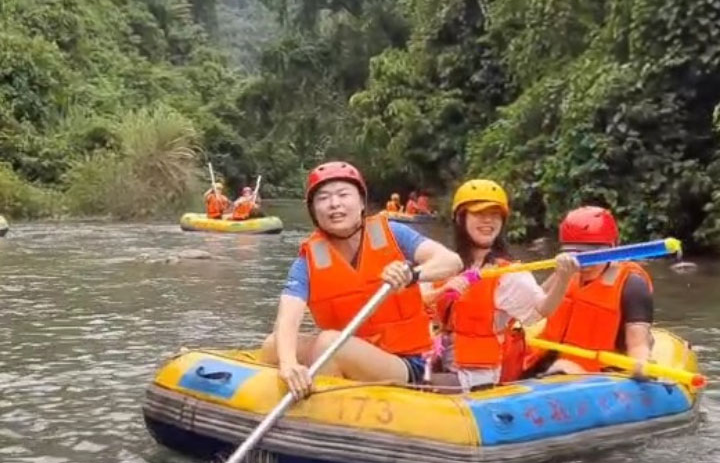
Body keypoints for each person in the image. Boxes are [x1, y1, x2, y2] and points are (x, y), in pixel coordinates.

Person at [261, 161, 463, 397]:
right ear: (314, 210)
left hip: (405, 361)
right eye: (323, 198)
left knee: (330, 344)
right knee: (274, 346)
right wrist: (288, 364)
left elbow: (451, 261)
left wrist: (413, 274)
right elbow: (288, 318)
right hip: (348, 346)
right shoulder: (308, 260)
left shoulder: (393, 233)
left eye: (343, 194)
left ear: (360, 202)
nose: (334, 204)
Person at [435, 179, 577, 389]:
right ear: (460, 218)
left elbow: (543, 309)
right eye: (479, 214)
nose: (488, 221)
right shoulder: (447, 264)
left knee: (410, 383)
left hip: (477, 377)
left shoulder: (510, 274)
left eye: (494, 215)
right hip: (445, 359)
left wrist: (563, 278)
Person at [539, 206, 653, 376]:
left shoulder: (632, 285)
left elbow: (638, 343)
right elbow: (532, 310)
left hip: (602, 373)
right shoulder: (566, 272)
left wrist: (641, 364)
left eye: (592, 256)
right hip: (554, 363)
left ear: (613, 248)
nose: (585, 264)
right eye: (576, 255)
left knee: (563, 367)